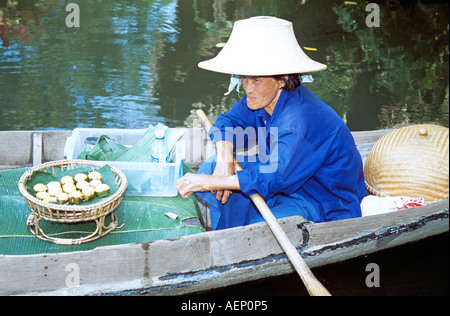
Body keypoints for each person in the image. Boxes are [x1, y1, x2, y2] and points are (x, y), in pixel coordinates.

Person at [177, 16, 366, 230]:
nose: (248, 88)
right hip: (283, 184)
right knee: (213, 166)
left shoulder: (296, 120)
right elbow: (227, 123)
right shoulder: (261, 101)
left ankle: (238, 235)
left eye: (257, 80)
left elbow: (274, 176)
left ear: (282, 79)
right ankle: (222, 229)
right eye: (245, 78)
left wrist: (212, 182)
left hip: (322, 201)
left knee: (258, 230)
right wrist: (224, 161)